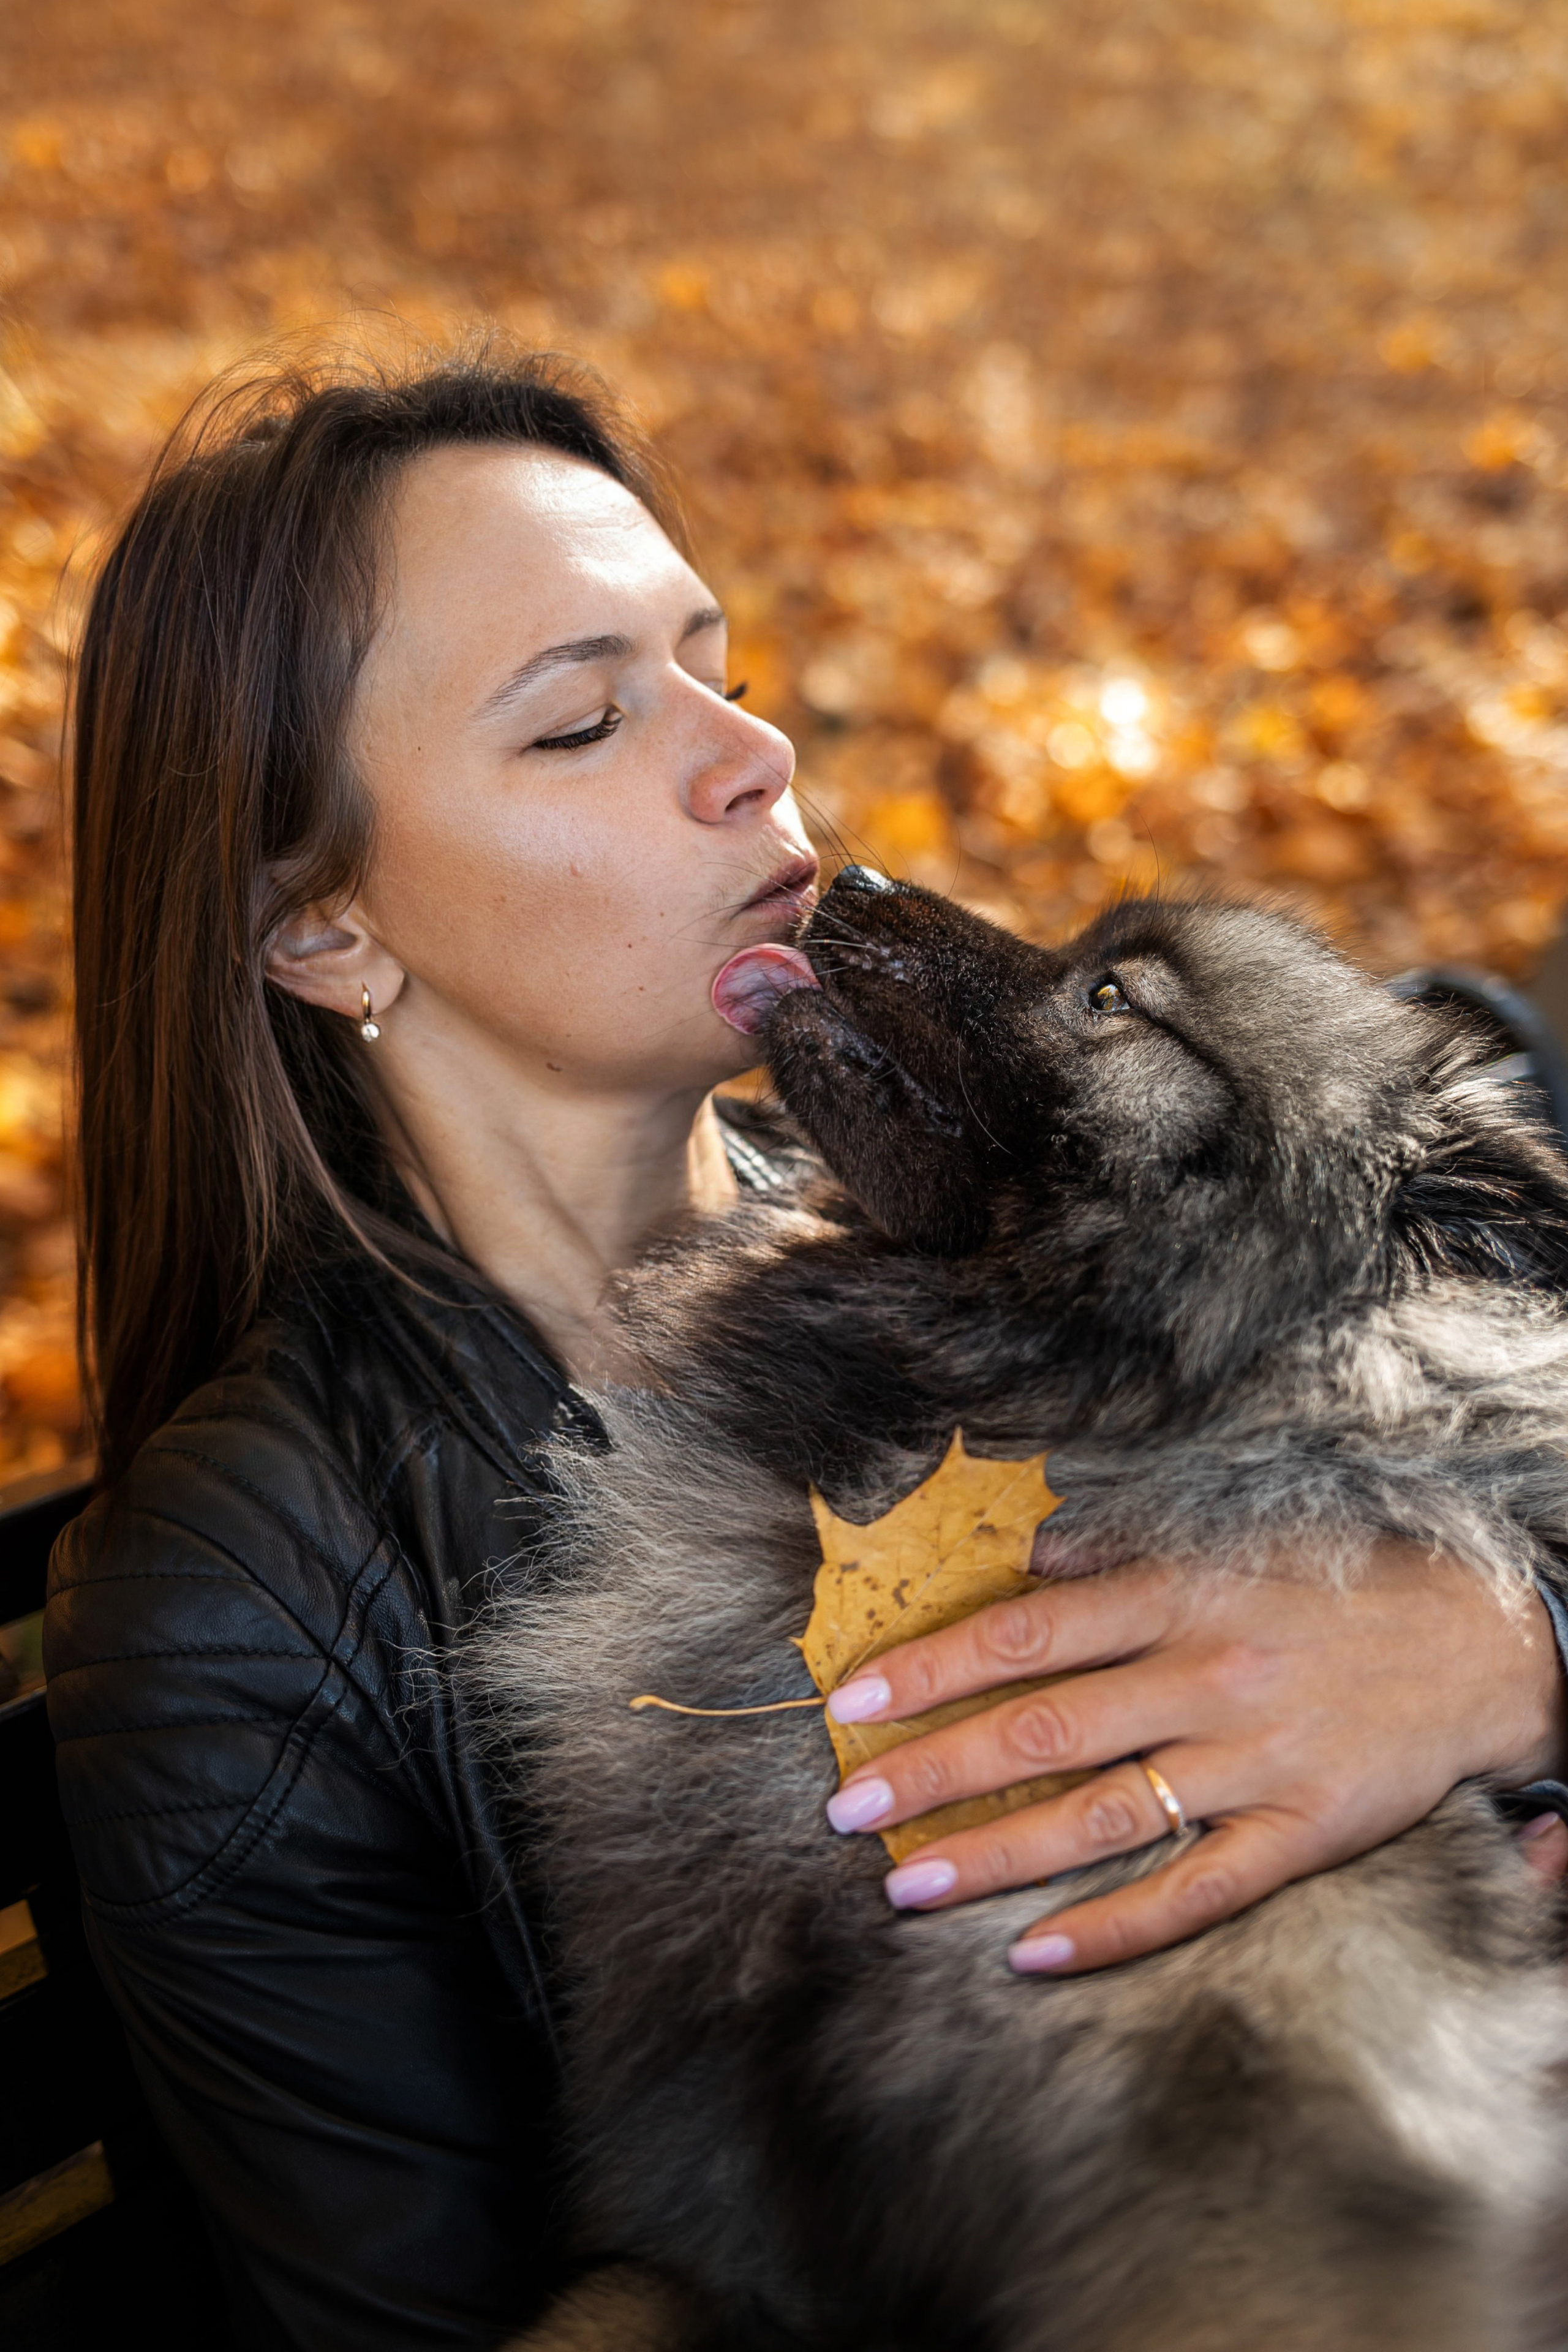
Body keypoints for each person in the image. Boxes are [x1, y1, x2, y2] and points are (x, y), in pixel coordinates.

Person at [43, 344, 1568, 2351]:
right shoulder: (245, 1615)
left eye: (714, 659)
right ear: (323, 928)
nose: (751, 748)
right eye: (583, 720)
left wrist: (1517, 1643)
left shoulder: (987, 1228)